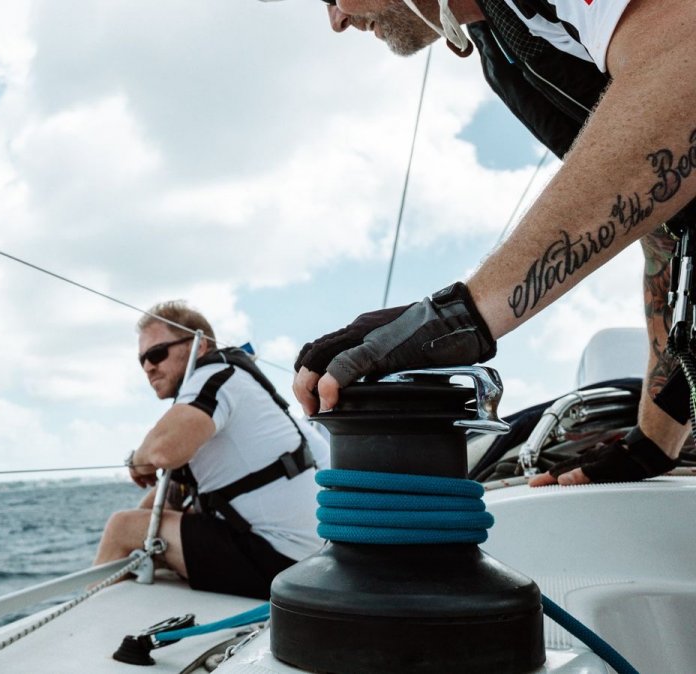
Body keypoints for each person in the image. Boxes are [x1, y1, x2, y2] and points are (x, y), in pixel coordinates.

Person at [289, 0, 696, 487]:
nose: (336, 21)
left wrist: (458, 316)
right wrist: (653, 444)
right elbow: (662, 210)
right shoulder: (504, 47)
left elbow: (686, 70)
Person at [93, 301, 328, 599]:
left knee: (121, 527)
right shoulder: (232, 381)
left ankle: (79, 632)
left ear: (199, 344)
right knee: (149, 523)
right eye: (142, 360)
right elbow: (175, 493)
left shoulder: (215, 376)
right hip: (306, 559)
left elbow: (162, 452)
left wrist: (136, 461)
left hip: (281, 562)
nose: (149, 366)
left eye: (157, 353)